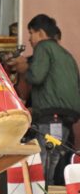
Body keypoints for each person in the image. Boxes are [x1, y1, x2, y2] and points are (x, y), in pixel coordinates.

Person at [10, 14, 80, 185]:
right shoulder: (66, 55)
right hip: (65, 118)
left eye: (31, 33)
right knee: (58, 163)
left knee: (46, 162)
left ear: (40, 33)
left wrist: (25, 68)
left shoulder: (43, 47)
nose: (30, 39)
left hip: (51, 118)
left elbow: (36, 77)